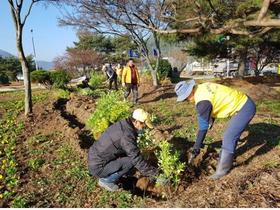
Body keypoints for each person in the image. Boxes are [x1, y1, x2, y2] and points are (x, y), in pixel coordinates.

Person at [175, 80, 256, 179]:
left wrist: (196, 148)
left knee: (229, 136)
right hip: (242, 101)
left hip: (245, 108)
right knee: (231, 133)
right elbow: (214, 101)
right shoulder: (202, 87)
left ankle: (222, 170)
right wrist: (209, 118)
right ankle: (225, 157)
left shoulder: (202, 102)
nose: (187, 100)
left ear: (190, 92)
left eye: (186, 98)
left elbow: (203, 128)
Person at [88, 108, 158, 191]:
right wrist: (154, 173)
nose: (145, 128)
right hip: (98, 167)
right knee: (131, 161)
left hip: (95, 157)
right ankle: (106, 181)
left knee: (130, 156)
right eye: (144, 125)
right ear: (136, 122)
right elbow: (136, 159)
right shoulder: (127, 135)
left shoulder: (124, 124)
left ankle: (122, 172)